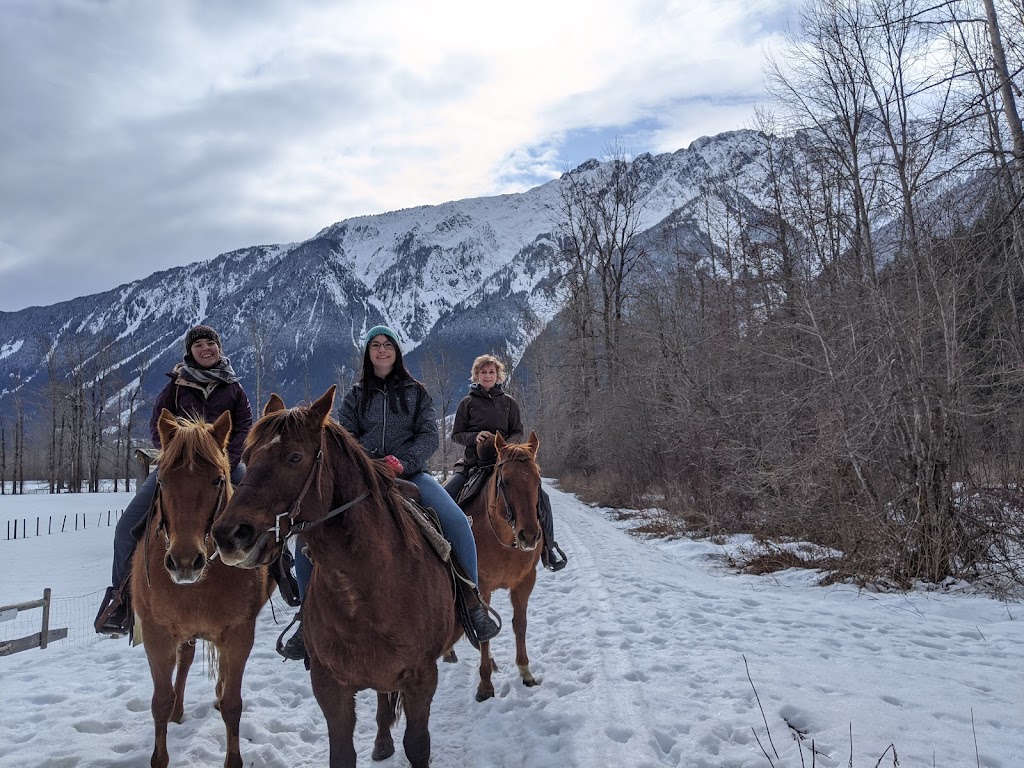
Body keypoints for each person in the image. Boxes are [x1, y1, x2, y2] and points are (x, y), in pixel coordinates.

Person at [280, 326, 501, 660]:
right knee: (308, 534)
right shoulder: (355, 396)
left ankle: (471, 603)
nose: (382, 350)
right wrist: (366, 461)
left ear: (397, 351)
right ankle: (306, 617)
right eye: (375, 345)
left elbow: (428, 435)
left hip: (410, 472)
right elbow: (344, 437)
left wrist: (403, 461)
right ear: (368, 353)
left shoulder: (416, 393)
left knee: (456, 522)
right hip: (361, 476)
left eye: (388, 345)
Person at [94, 325, 253, 635]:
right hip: (178, 468)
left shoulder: (234, 388)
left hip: (224, 465)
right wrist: (176, 455)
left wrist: (224, 461)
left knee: (259, 508)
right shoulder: (176, 387)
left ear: (219, 348)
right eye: (199, 346)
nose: (206, 349)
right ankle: (121, 600)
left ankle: (280, 574)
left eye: (211, 344)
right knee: (127, 527)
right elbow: (159, 425)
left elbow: (244, 426)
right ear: (189, 352)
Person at [443, 354, 567, 572]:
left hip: (507, 462)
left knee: (542, 498)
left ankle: (548, 549)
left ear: (498, 375)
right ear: (476, 375)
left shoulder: (509, 403)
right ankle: (444, 549)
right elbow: (456, 435)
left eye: (491, 372)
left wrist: (506, 447)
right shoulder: (467, 403)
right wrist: (475, 437)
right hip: (475, 464)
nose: (487, 376)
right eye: (483, 372)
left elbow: (518, 430)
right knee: (447, 495)